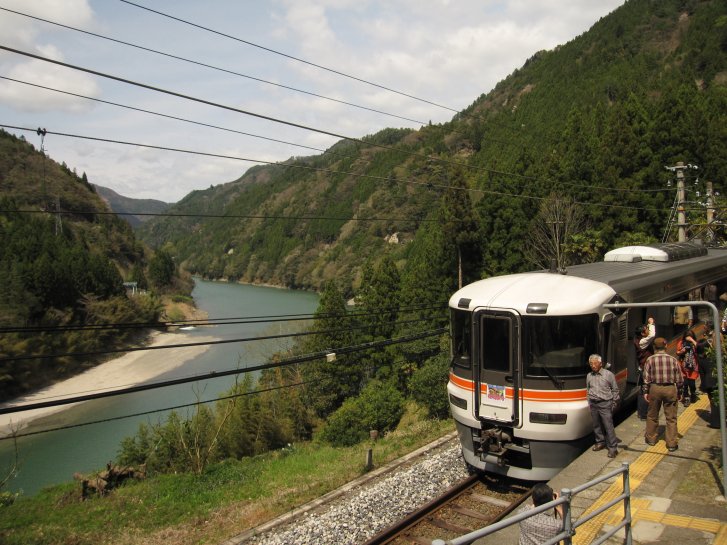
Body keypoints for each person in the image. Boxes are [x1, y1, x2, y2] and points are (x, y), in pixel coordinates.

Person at [643, 337, 684, 452]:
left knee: (652, 415)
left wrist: (646, 391)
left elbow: (646, 378)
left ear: (654, 347)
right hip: (670, 388)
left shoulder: (650, 360)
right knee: (671, 418)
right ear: (665, 346)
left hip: (655, 388)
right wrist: (680, 392)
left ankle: (651, 439)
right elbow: (680, 378)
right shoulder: (673, 360)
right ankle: (671, 443)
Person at [586, 353, 620, 458]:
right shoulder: (589, 375)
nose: (593, 365)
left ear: (600, 363)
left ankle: (613, 448)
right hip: (593, 403)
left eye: (595, 363)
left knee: (608, 426)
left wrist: (614, 403)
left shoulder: (608, 374)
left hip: (605, 403)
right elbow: (588, 389)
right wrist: (589, 400)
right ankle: (600, 442)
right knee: (596, 425)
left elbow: (615, 389)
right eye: (591, 363)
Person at [633, 317, 656, 420]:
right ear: (642, 333)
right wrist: (651, 323)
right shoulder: (642, 342)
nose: (648, 329)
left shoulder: (638, 339)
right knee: (645, 391)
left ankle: (642, 413)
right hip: (646, 369)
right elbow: (652, 335)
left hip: (643, 368)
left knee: (643, 390)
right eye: (646, 329)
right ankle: (643, 414)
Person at [676, 329, 699, 406]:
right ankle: (686, 398)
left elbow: (699, 348)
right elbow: (677, 352)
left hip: (693, 367)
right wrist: (682, 351)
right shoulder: (681, 343)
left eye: (690, 337)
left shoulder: (695, 343)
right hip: (683, 367)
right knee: (685, 384)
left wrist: (692, 340)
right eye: (687, 337)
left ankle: (693, 394)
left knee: (692, 383)